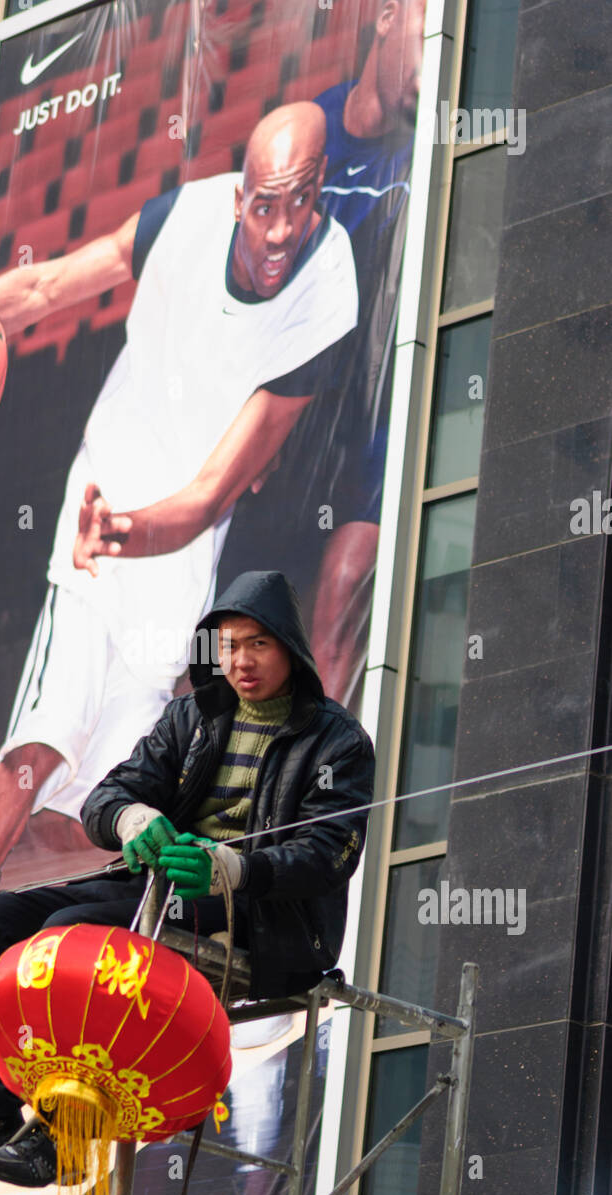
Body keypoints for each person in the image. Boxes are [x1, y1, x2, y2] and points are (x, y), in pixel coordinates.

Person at [0, 101, 359, 997]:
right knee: (32, 749)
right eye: (264, 204)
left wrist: (132, 530)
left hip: (171, 557)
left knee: (101, 812)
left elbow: (209, 496)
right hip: (92, 536)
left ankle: (89, 958)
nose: (278, 228)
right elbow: (43, 288)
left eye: (298, 203)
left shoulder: (327, 291)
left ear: (318, 197)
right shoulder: (181, 218)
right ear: (237, 197)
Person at [0, 569, 375, 1195]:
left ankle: (62, 1137)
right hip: (164, 892)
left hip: (271, 924)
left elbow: (329, 855)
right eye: (230, 644)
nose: (241, 660)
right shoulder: (192, 716)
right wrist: (133, 817)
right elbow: (106, 797)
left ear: (290, 649)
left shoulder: (338, 739)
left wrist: (235, 869)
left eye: (259, 644)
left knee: (65, 936)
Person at [217, 0, 426, 709]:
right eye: (428, 36)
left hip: (375, 420)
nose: (432, 73)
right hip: (296, 413)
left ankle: (329, 806)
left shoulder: (430, 145)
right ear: (390, 15)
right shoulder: (304, 142)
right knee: (233, 632)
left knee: (341, 591)